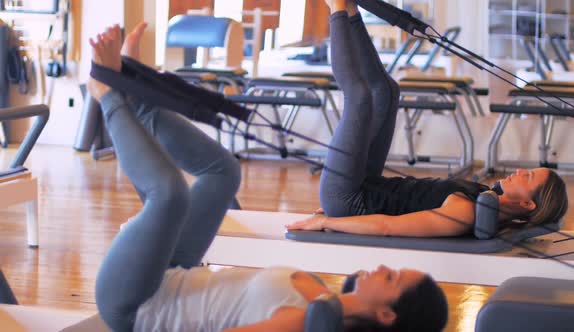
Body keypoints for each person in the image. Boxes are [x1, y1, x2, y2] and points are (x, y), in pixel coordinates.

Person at [87, 14, 448, 332]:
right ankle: (136, 95)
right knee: (223, 173)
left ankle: (106, 92)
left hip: (138, 304)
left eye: (392, 277)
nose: (384, 266)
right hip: (174, 275)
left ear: (386, 315)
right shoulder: (322, 299)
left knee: (170, 196)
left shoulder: (301, 322)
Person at [287, 0, 568, 238]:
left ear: (527, 204)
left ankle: (336, 8)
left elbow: (388, 226)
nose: (520, 171)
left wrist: (328, 222)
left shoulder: (465, 213)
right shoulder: (486, 199)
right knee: (386, 91)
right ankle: (349, 10)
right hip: (367, 185)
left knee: (359, 98)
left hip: (349, 197)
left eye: (528, 175)